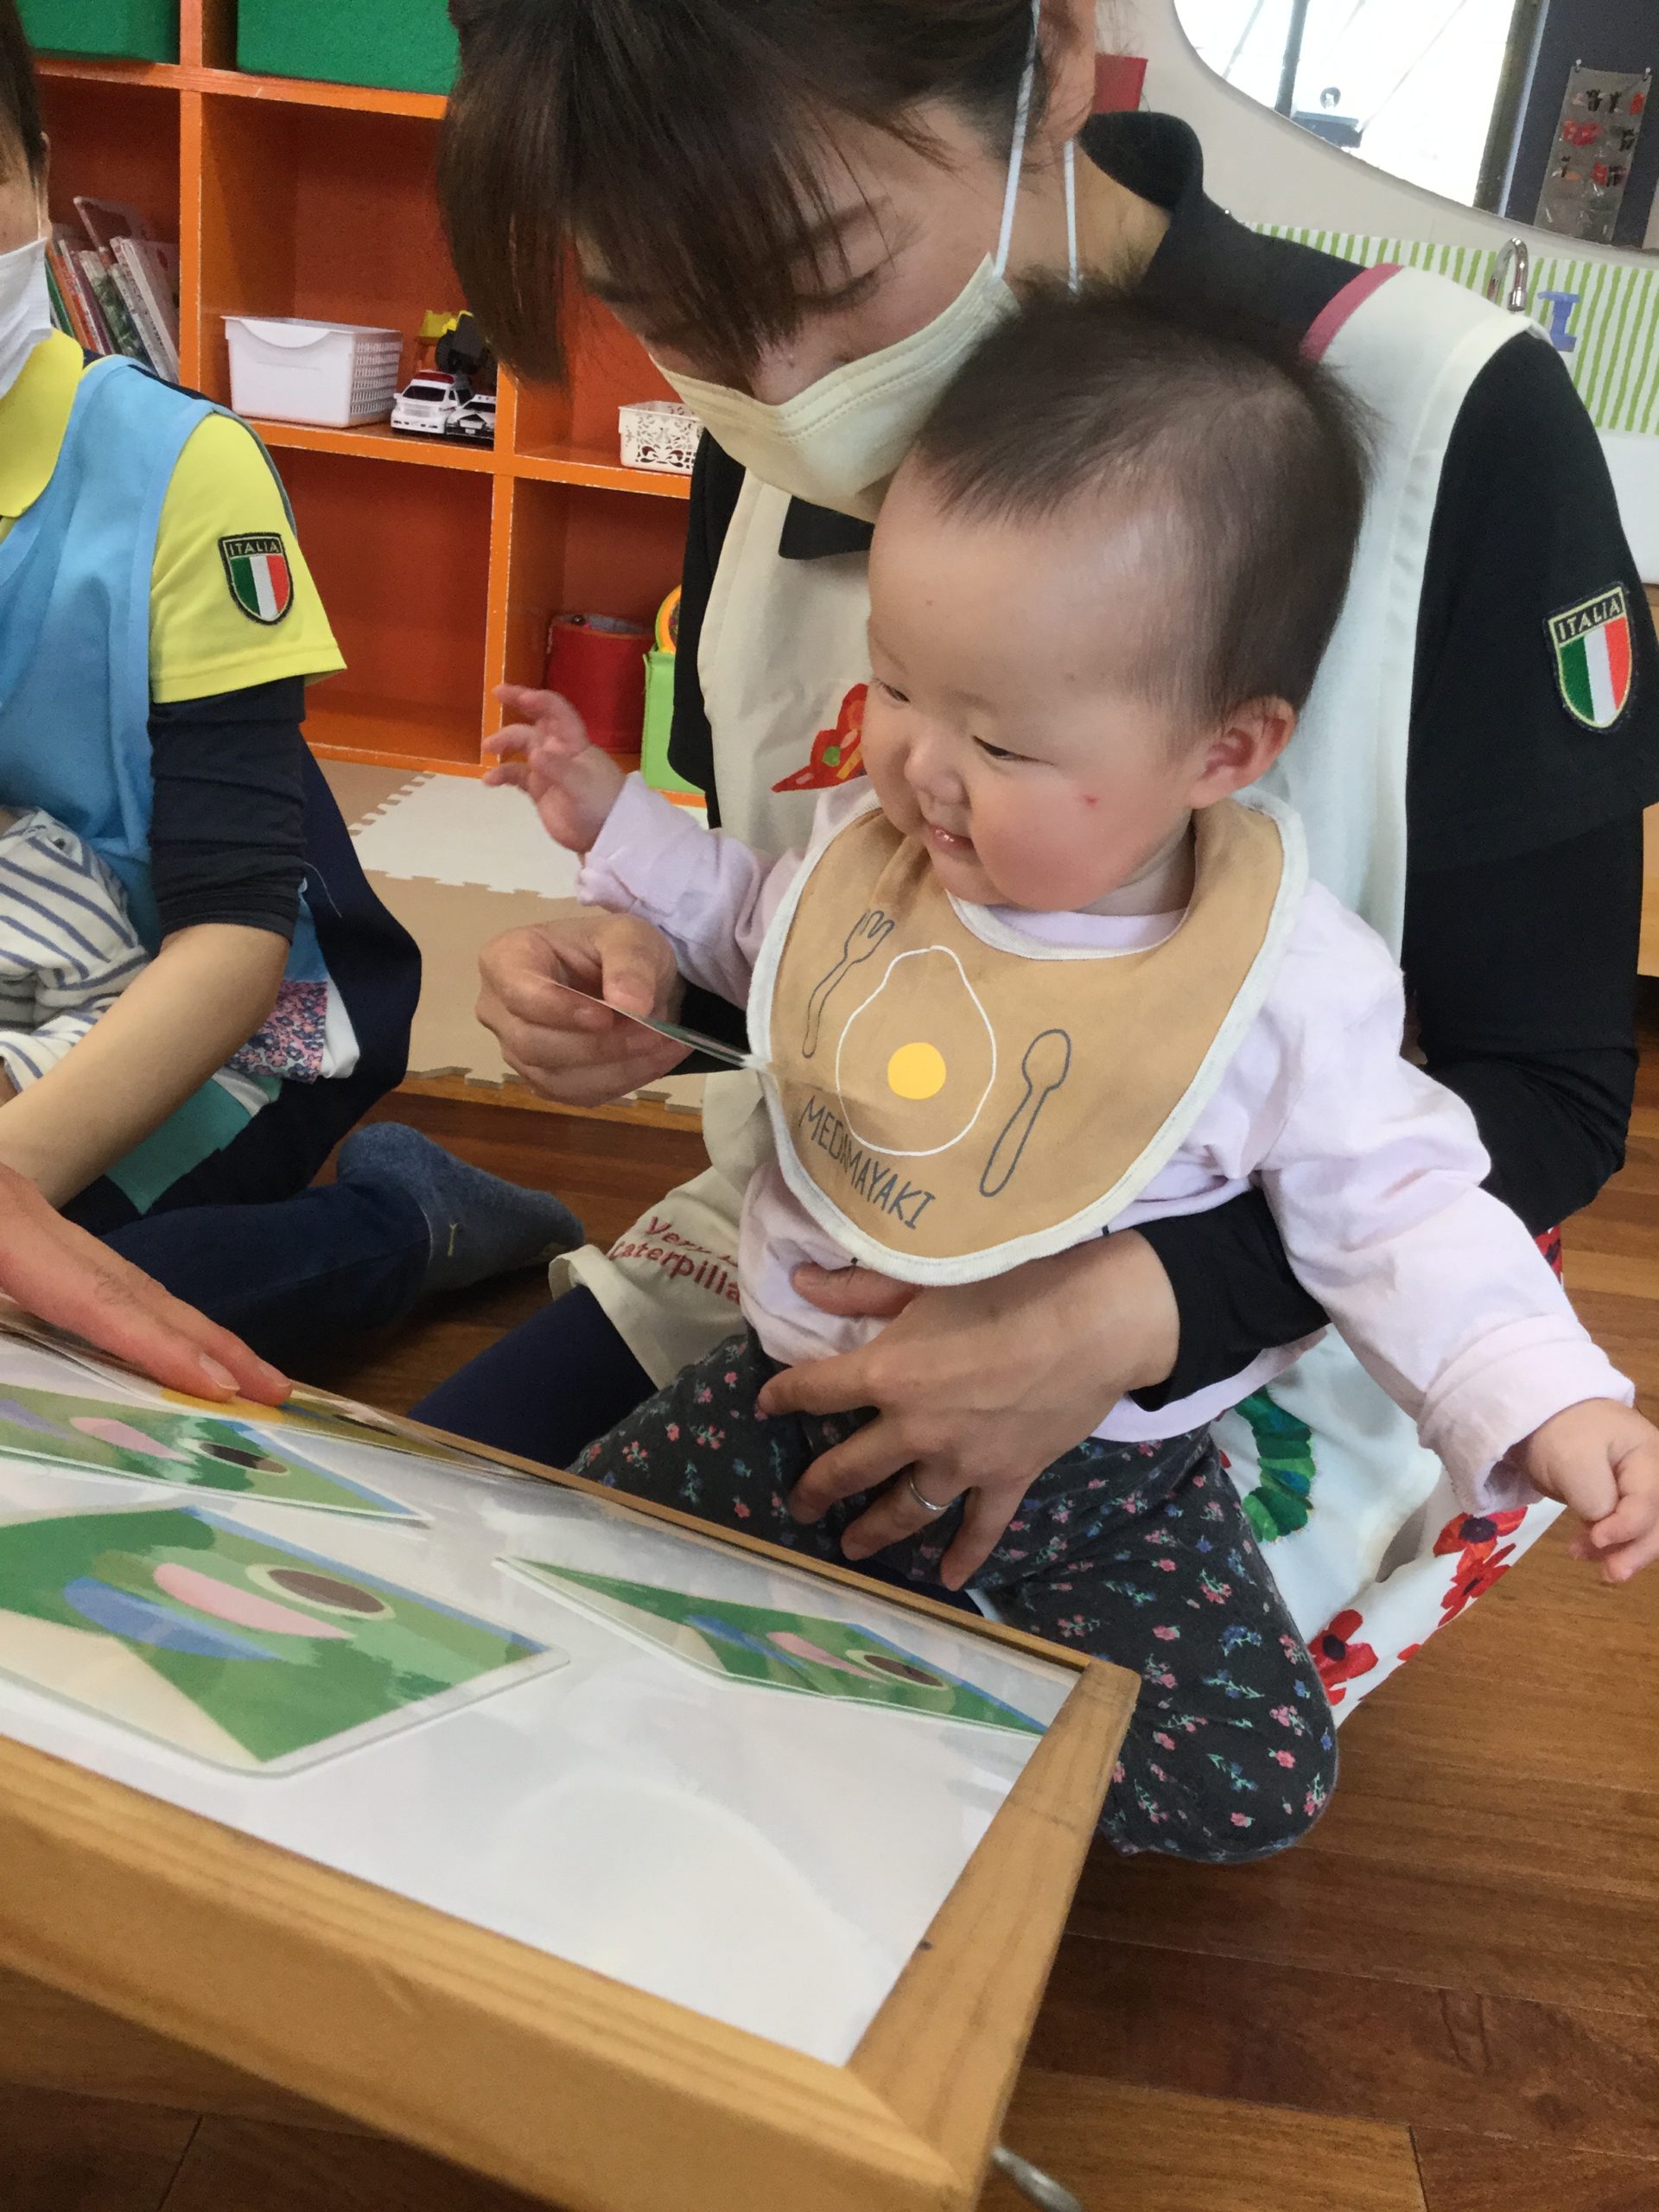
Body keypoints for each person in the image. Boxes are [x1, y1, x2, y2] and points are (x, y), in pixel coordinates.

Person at [423, 0, 1659, 1707]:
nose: (778, 389)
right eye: (673, 317)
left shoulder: (1448, 424)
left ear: (1058, 56)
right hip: (843, 1241)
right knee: (430, 1567)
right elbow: (820, 916)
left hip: (1258, 1327)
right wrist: (655, 986)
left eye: (832, 270)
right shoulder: (760, 436)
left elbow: (1549, 1095)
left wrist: (1134, 1310)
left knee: (885, 1762)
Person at [0, 2, 578, 1372]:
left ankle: (402, 1220)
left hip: (240, 1002)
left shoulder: (174, 473)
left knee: (64, 1322)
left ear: (37, 165)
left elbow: (233, 940)